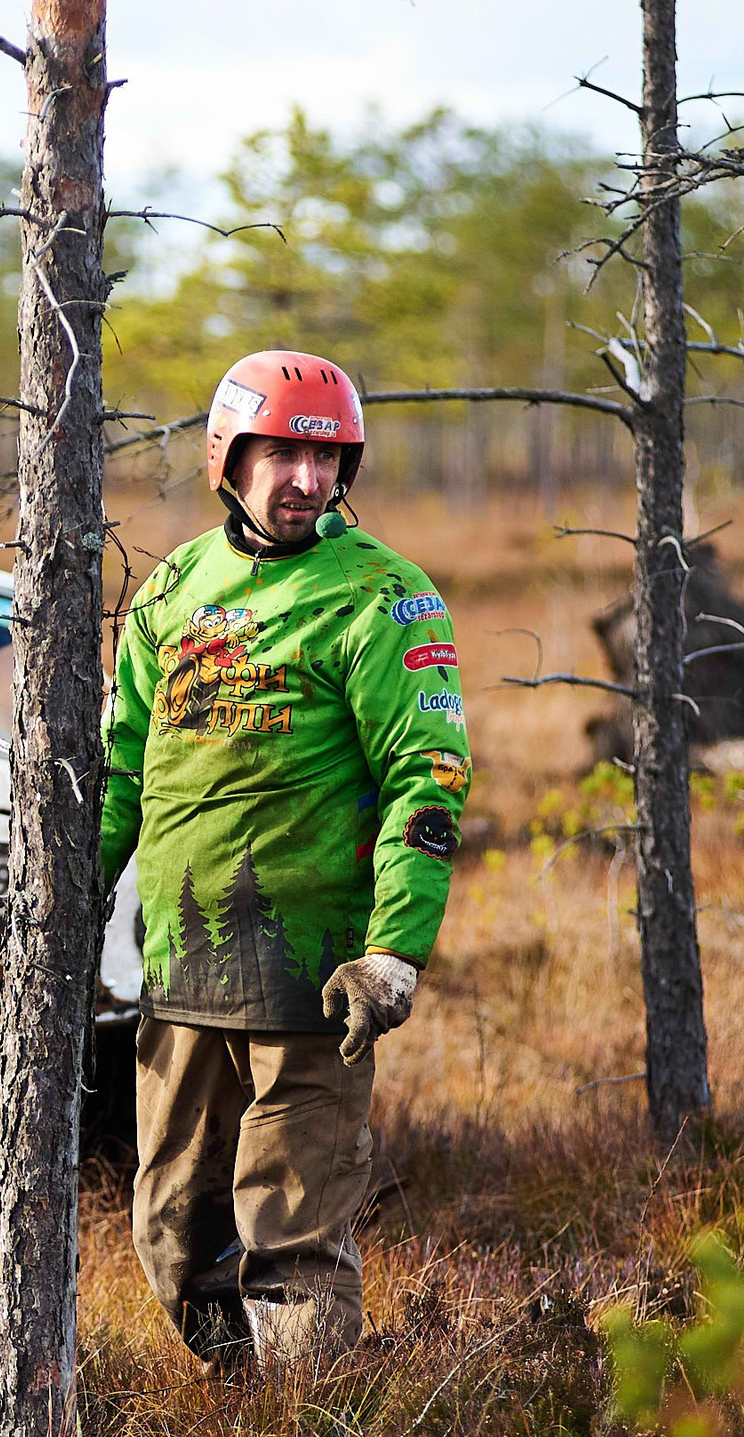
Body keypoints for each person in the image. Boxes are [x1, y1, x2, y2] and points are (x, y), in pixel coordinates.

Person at [99, 350, 471, 1373]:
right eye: (283, 455)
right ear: (228, 457)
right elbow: (120, 764)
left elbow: (427, 779)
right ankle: (233, 1411)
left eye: (326, 458)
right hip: (180, 970)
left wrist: (393, 951)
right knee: (172, 1229)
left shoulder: (382, 597)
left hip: (314, 982)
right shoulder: (175, 586)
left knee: (292, 1235)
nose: (306, 480)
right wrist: (64, 901)